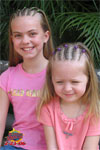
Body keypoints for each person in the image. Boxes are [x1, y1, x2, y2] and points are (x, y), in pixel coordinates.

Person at [0, 7, 54, 150]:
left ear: (46, 36)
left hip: (53, 144)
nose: (25, 41)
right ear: (12, 39)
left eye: (32, 34)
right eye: (18, 35)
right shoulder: (7, 77)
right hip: (17, 144)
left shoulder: (58, 73)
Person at [38, 42, 100, 150]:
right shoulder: (47, 108)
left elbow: (90, 147)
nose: (67, 88)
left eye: (75, 82)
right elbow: (52, 147)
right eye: (60, 82)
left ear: (89, 80)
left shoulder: (94, 110)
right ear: (51, 80)